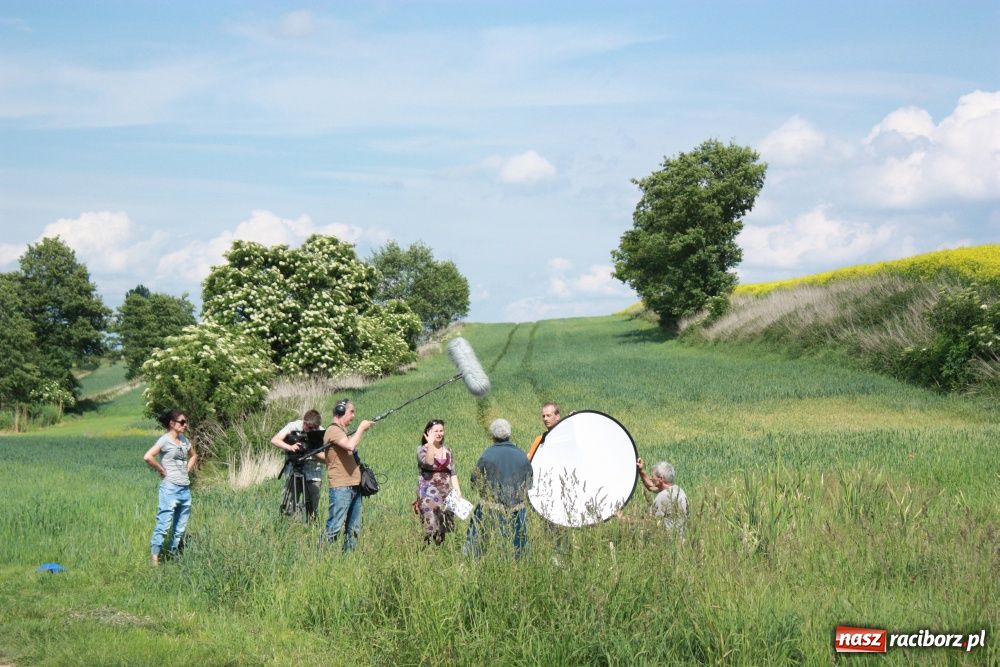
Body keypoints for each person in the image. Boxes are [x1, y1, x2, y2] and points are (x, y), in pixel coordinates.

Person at [464, 418, 533, 560]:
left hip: (490, 509)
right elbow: (529, 483)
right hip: (518, 510)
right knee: (520, 546)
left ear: (493, 435)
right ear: (509, 434)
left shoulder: (488, 454)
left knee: (477, 542)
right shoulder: (521, 455)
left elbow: (475, 481)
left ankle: (474, 563)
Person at [315, 398, 375, 553]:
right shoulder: (333, 430)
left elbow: (336, 456)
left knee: (353, 529)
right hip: (341, 487)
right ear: (341, 411)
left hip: (354, 485)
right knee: (334, 527)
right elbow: (350, 446)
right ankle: (319, 558)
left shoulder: (342, 432)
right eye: (351, 412)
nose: (354, 416)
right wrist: (361, 428)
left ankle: (348, 559)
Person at [143, 409, 197, 565]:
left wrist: (187, 469)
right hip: (170, 489)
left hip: (185, 489)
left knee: (180, 527)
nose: (185, 425)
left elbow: (194, 455)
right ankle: (155, 559)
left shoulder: (185, 441)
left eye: (185, 422)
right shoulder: (164, 440)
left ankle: (173, 556)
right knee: (164, 524)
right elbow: (148, 456)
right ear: (172, 424)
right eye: (182, 422)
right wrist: (161, 470)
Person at [415, 419, 464, 545]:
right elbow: (429, 463)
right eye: (436, 431)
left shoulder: (447, 450)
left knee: (443, 526)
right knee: (430, 526)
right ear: (428, 433)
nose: (439, 433)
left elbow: (452, 472)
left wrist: (458, 491)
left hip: (446, 493)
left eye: (441, 430)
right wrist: (430, 445)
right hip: (428, 494)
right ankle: (427, 552)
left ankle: (440, 550)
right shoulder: (422, 449)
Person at [271, 409, 325, 520]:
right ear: (304, 422)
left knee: (312, 507)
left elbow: (328, 458)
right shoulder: (294, 426)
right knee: (289, 504)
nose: (311, 431)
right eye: (309, 428)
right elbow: (274, 440)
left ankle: (310, 525)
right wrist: (290, 447)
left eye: (314, 428)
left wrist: (312, 451)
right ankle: (288, 524)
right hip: (294, 470)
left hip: (313, 472)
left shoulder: (321, 432)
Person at [636, 457, 688, 534]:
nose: (651, 478)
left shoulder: (662, 497)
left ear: (660, 478)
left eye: (653, 476)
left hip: (669, 542)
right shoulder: (678, 490)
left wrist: (624, 519)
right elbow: (651, 486)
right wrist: (641, 471)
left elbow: (647, 522)